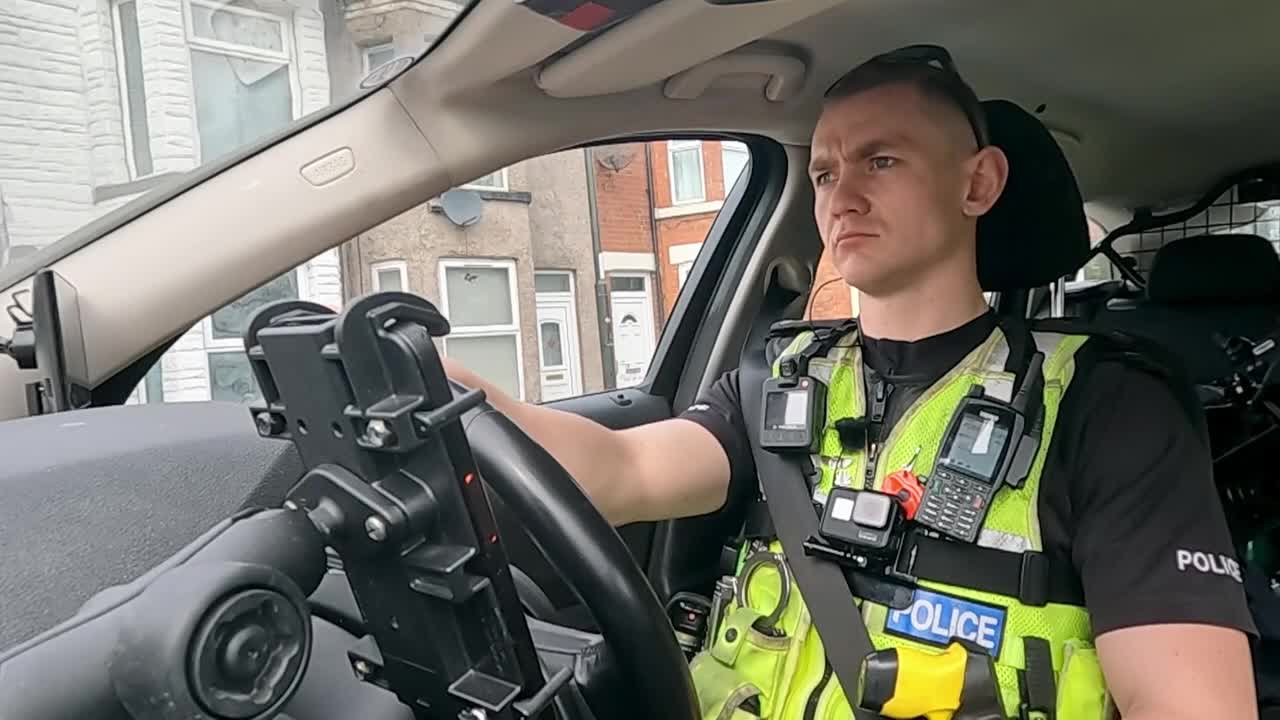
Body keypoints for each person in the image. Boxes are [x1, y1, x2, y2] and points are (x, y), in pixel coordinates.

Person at [444, 46, 1258, 719]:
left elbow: (1190, 705)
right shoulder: (776, 376)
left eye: (882, 160)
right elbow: (618, 471)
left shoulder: (1106, 405)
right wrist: (438, 382)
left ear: (978, 184)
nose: (843, 197)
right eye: (827, 173)